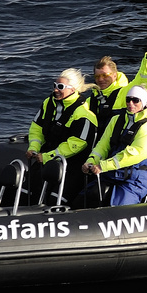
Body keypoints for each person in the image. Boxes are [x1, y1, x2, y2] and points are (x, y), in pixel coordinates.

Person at [26, 68, 100, 205]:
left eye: (60, 87)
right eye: (55, 85)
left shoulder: (83, 114)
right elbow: (37, 127)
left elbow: (77, 144)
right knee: (28, 190)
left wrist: (49, 156)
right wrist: (34, 147)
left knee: (55, 198)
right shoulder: (49, 103)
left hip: (72, 165)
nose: (55, 90)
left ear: (73, 89)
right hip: (48, 158)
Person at [84, 85, 147, 206]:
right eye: (128, 99)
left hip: (134, 181)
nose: (131, 103)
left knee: (119, 209)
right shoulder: (116, 120)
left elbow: (133, 154)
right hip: (110, 174)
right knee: (84, 199)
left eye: (136, 100)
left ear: (143, 102)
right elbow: (103, 146)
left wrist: (103, 166)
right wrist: (91, 161)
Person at [86, 32, 147, 129]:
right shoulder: (91, 100)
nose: (101, 79)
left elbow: (145, 79)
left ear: (115, 75)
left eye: (105, 75)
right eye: (97, 76)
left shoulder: (125, 94)